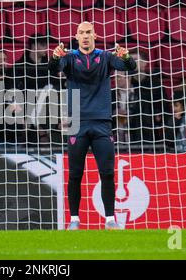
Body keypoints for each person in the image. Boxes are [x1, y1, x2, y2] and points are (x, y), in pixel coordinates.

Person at [48, 21, 136, 230]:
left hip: (102, 121)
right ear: (76, 37)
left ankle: (110, 220)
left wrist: (126, 57)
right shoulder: (69, 58)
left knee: (107, 172)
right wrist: (54, 57)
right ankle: (74, 220)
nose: (85, 36)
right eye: (81, 33)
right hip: (77, 120)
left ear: (95, 35)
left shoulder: (105, 57)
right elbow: (53, 68)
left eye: (88, 32)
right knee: (75, 173)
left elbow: (129, 67)